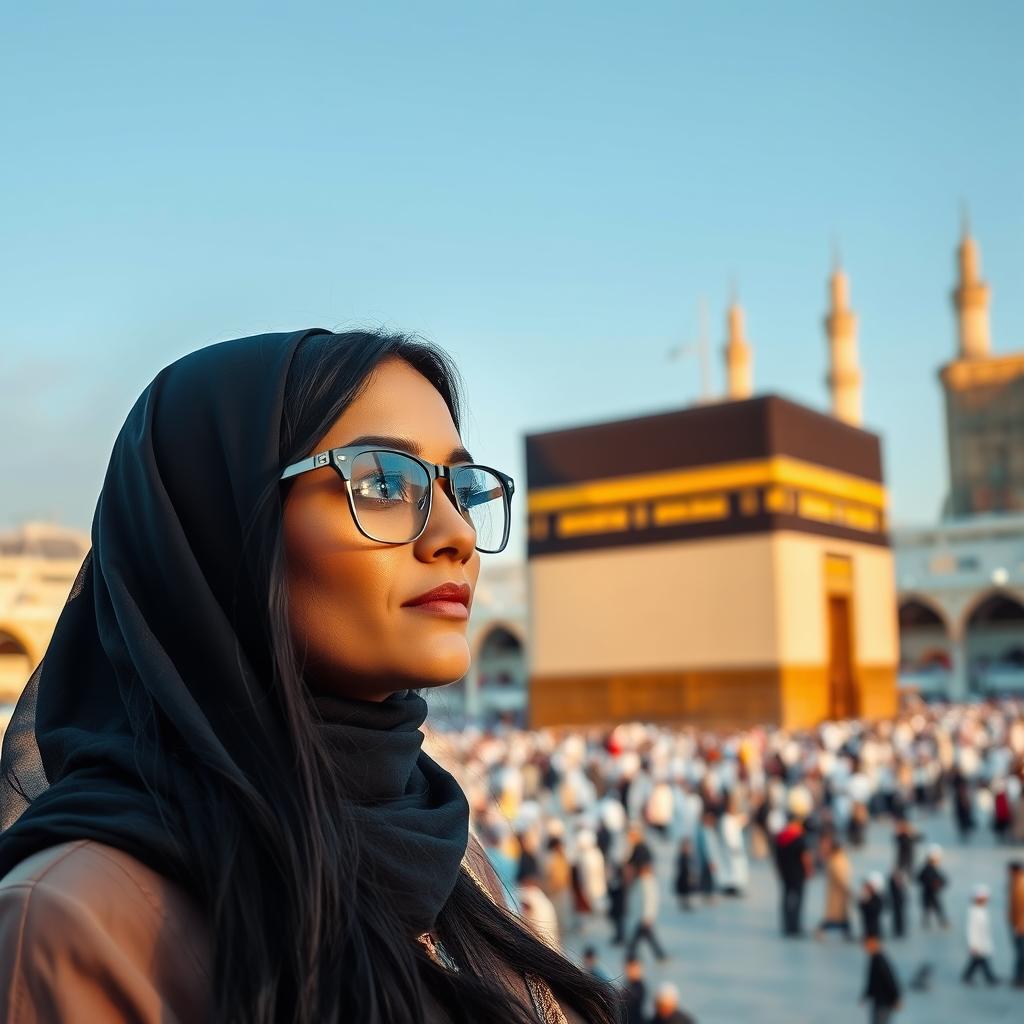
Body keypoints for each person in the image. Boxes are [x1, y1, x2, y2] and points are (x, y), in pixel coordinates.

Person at [0, 330, 620, 1024]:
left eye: (460, 488)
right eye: (385, 482)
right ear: (222, 526)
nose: (456, 533)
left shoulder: (445, 854)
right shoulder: (81, 925)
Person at [774, 813, 813, 936]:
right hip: (798, 873)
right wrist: (809, 870)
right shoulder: (798, 837)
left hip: (785, 873)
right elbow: (804, 856)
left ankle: (787, 925)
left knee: (786, 898)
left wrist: (779, 870)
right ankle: (795, 926)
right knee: (798, 900)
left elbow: (776, 857)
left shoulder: (780, 837)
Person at [625, 862, 668, 962]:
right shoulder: (643, 881)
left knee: (642, 938)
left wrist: (647, 916)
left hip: (643, 917)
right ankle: (659, 955)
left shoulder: (647, 883)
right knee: (645, 937)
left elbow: (650, 901)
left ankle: (632, 955)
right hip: (640, 916)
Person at [962, 884, 999, 986]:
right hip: (978, 943)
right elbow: (971, 930)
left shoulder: (981, 910)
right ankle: (989, 978)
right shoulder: (974, 912)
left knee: (978, 962)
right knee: (980, 961)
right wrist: (973, 945)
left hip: (983, 942)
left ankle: (969, 976)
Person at [816, 839, 852, 940]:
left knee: (842, 916)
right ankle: (821, 929)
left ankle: (847, 933)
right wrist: (846, 889)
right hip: (838, 893)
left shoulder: (836, 858)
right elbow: (840, 877)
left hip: (838, 892)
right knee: (836, 916)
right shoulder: (837, 860)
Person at [860, 935, 901, 1023]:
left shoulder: (880, 960)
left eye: (869, 945)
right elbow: (872, 981)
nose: (866, 948)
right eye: (866, 945)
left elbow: (890, 979)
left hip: (884, 1002)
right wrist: (866, 994)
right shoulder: (874, 959)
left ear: (876, 944)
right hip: (879, 1001)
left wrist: (896, 997)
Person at [917, 844, 949, 929]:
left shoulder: (933, 868)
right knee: (929, 908)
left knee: (936, 908)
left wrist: (940, 883)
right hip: (928, 893)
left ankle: (940, 921)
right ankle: (930, 922)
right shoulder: (927, 868)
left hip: (933, 892)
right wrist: (932, 883)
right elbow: (920, 878)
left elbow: (941, 879)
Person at [1008, 861, 1024, 988]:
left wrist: (1020, 924)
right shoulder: (1015, 883)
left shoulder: (1020, 884)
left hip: (1021, 926)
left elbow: (1020, 907)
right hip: (1017, 925)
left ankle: (1019, 978)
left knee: (1021, 954)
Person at [858, 873, 885, 940]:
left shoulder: (877, 898)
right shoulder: (867, 897)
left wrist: (867, 902)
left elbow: (875, 911)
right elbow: (861, 909)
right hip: (868, 931)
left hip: (874, 932)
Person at [621, 957, 647, 1024]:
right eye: (628, 969)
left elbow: (633, 1002)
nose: (629, 971)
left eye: (631, 969)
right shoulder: (629, 985)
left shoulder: (639, 986)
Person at [674, 837, 695, 911]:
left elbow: (692, 868)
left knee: (688, 893)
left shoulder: (689, 857)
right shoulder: (681, 857)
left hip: (687, 879)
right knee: (683, 893)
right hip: (683, 879)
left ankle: (687, 904)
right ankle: (684, 905)